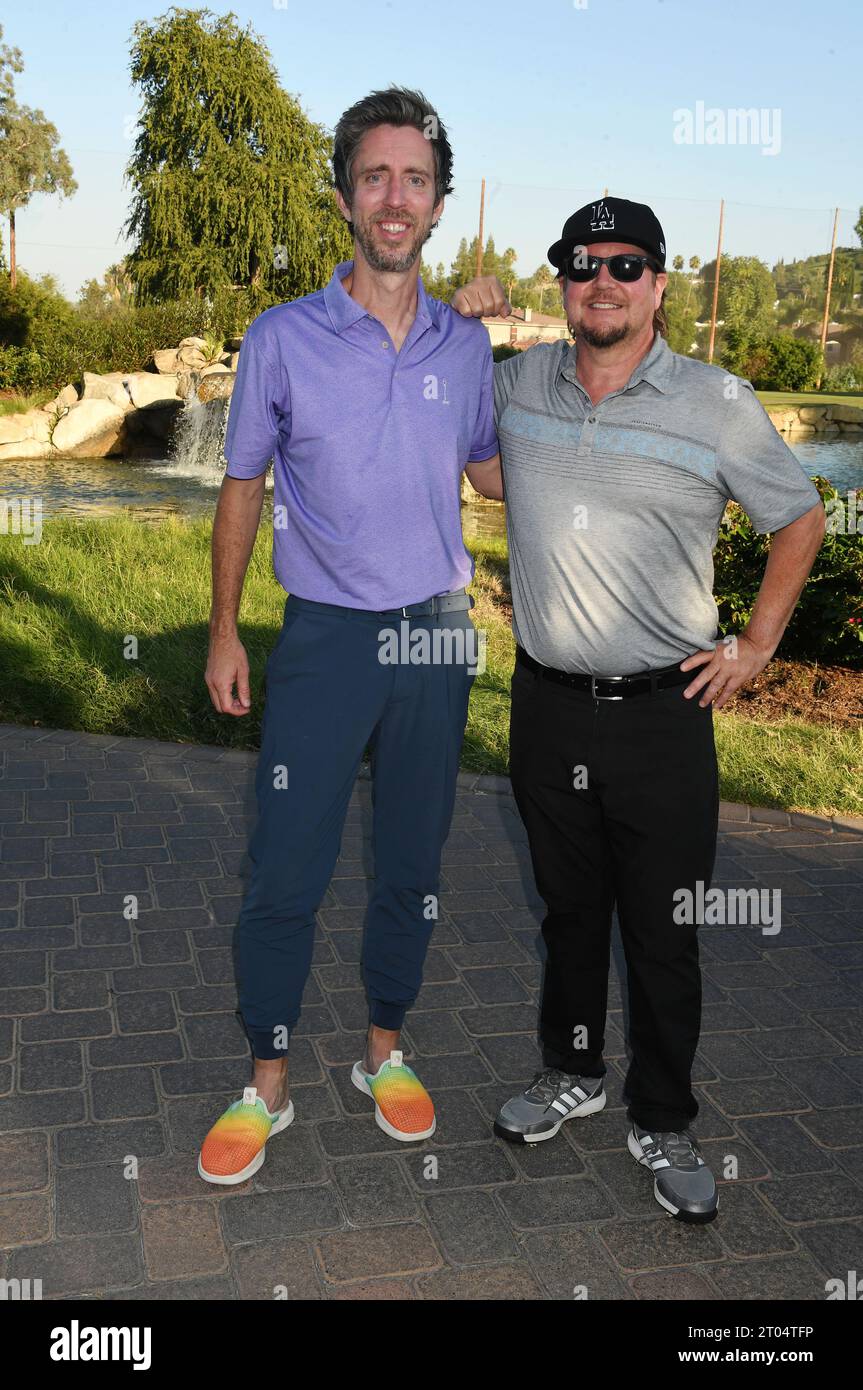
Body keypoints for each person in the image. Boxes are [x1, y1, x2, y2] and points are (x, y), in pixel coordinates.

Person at [452, 197, 825, 1221]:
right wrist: (452, 320)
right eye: (581, 265)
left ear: (658, 284)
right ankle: (570, 1072)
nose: (600, 281)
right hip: (546, 707)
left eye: (624, 265)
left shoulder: (715, 402)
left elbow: (799, 518)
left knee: (663, 930)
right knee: (568, 912)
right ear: (563, 284)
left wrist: (754, 647)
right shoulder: (520, 379)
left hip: (664, 717)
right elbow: (483, 472)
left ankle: (662, 1116)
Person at [197, 87, 501, 1185]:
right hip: (322, 637)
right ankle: (266, 1080)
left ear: (435, 203)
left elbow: (492, 474)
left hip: (435, 635)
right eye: (374, 175)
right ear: (343, 196)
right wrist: (226, 629)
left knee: (410, 864)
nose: (393, 195)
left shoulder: (465, 345)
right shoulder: (281, 337)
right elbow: (240, 487)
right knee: (285, 864)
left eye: (413, 178)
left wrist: (568, 398)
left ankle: (384, 1053)